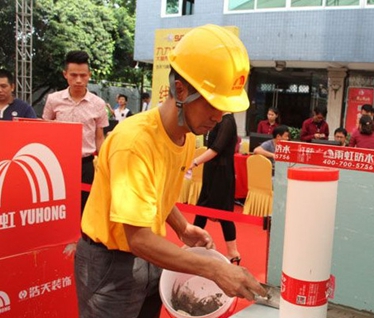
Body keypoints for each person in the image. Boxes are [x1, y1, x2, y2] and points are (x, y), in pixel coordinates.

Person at [74, 24, 266, 318]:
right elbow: (136, 237)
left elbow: (156, 194)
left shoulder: (186, 137)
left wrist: (182, 227)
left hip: (152, 255)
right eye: (212, 104)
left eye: (225, 109)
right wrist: (215, 268)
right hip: (111, 263)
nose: (218, 117)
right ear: (181, 90)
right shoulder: (134, 143)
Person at [42, 51, 108, 214]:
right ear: (65, 74)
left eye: (83, 75)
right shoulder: (53, 100)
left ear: (89, 75)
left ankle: (82, 238)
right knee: (57, 205)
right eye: (73, 75)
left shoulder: (98, 104)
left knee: (85, 207)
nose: (78, 80)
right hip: (57, 162)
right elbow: (44, 129)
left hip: (85, 164)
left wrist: (106, 164)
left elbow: (99, 138)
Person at [191, 113, 241, 264]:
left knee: (224, 213)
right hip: (212, 170)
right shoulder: (218, 119)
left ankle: (233, 252)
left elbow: (216, 148)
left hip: (222, 173)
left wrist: (195, 162)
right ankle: (193, 243)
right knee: (202, 209)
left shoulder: (228, 121)